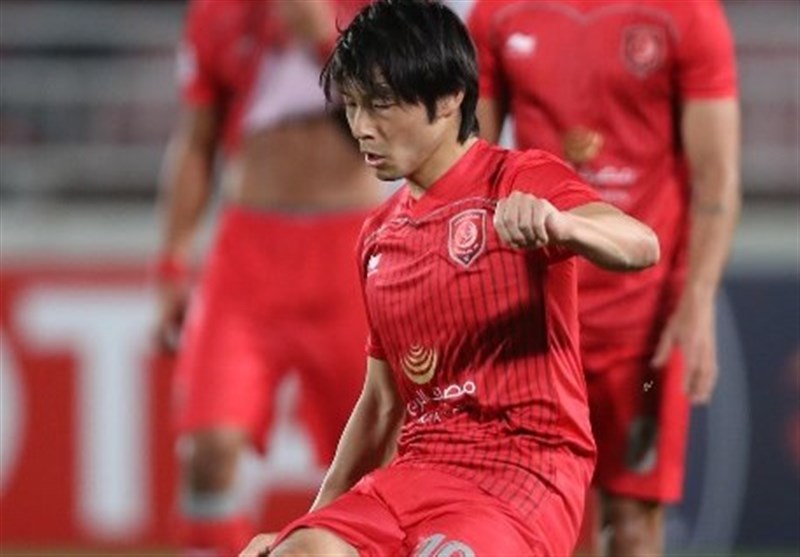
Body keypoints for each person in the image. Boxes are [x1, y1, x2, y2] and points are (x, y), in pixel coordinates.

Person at [239, 1, 660, 555]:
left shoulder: (518, 179)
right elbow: (381, 406)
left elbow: (641, 244)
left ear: (448, 97)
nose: (361, 128)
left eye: (381, 105)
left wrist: (564, 226)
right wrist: (309, 525)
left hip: (522, 469)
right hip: (416, 473)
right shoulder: (378, 236)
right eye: (353, 106)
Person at [467, 1, 741, 555]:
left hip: (641, 328)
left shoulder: (686, 15)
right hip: (537, 321)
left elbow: (717, 179)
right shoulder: (496, 15)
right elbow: (468, 166)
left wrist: (697, 302)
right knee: (551, 520)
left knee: (634, 522)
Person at [152, 1, 379, 554]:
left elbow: (402, 114)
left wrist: (322, 37)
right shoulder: (217, 12)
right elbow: (197, 140)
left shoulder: (374, 9)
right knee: (207, 451)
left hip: (351, 250)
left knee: (373, 462)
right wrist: (174, 261)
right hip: (248, 253)